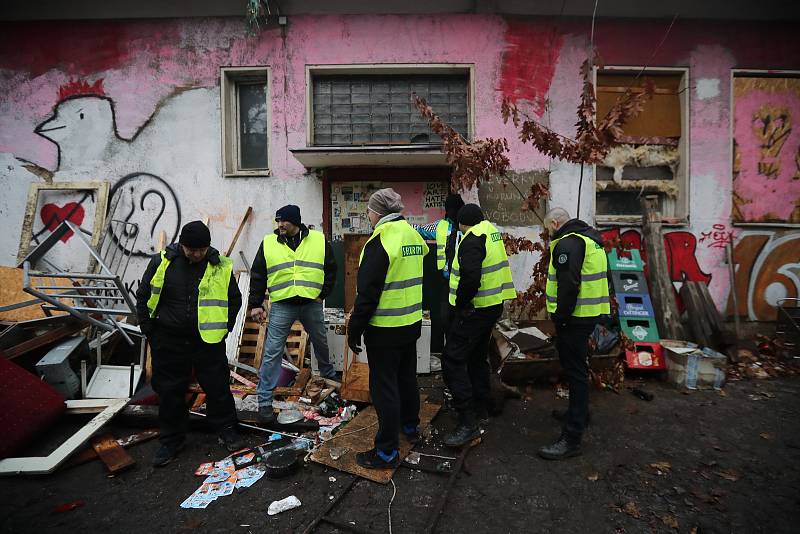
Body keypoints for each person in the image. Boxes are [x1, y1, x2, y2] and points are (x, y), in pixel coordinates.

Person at [136, 220, 244, 467]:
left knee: (217, 388)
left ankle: (227, 430)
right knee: (170, 391)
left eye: (201, 250)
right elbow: (143, 295)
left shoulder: (220, 266)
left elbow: (234, 300)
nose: (196, 255)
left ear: (207, 247)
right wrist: (149, 329)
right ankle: (171, 440)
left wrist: (224, 328)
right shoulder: (162, 262)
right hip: (170, 340)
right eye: (191, 250)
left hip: (207, 341)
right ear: (181, 245)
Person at [348, 188, 427, 469]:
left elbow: (367, 294)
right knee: (406, 378)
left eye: (368, 210)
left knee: (384, 388)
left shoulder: (380, 241)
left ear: (377, 213)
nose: (367, 215)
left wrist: (354, 328)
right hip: (410, 323)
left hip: (385, 328)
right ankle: (410, 427)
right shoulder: (412, 235)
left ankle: (386, 452)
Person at [249, 205, 338, 425]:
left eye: (284, 222)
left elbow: (331, 268)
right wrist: (255, 304)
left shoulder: (318, 240)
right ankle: (264, 402)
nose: (279, 225)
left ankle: (330, 381)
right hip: (282, 304)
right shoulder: (269, 243)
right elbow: (258, 273)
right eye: (278, 222)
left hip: (310, 304)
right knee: (272, 352)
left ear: (295, 222)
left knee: (320, 342)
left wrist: (322, 294)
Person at [442, 204, 517, 447]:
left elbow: (470, 278)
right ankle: (482, 405)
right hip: (492, 306)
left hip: (474, 309)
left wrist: (462, 305)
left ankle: (467, 423)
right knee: (476, 357)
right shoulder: (491, 231)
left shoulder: (472, 239)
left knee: (452, 360)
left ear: (462, 223)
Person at [538, 207, 610, 460]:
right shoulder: (591, 240)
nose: (548, 234)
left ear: (556, 223)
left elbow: (568, 283)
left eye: (548, 228)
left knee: (576, 371)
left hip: (575, 318)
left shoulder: (568, 243)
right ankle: (579, 414)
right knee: (579, 367)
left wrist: (561, 317)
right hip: (587, 315)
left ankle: (571, 438)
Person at [414, 193, 465, 340]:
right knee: (447, 320)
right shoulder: (441, 226)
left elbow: (419, 229)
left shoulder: (468, 227)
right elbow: (418, 230)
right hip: (449, 283)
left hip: (463, 282)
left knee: (456, 320)